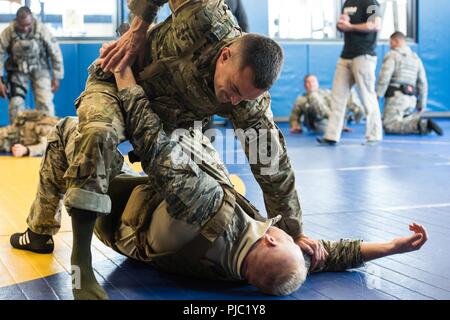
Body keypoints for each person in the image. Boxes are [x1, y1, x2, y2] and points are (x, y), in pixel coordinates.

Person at [11, 0, 324, 299]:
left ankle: (137, 206)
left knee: (194, 179)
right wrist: (137, 28)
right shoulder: (206, 15)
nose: (234, 102)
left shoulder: (248, 102)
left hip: (173, 116)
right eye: (233, 91)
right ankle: (79, 262)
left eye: (245, 98)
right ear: (225, 56)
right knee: (98, 136)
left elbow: (273, 169)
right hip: (119, 78)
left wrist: (294, 234)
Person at [101, 65, 427, 297]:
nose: (293, 237)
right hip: (133, 229)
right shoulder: (251, 269)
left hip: (115, 201)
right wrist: (391, 247)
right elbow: (326, 255)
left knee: (174, 140)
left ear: (272, 241)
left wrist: (124, 78)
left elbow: (152, 143)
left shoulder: (207, 209)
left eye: (287, 239)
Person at [317, 0, 383, 145]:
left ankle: (374, 135)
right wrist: (341, 25)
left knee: (367, 97)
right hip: (345, 56)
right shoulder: (348, 2)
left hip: (364, 56)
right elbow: (343, 25)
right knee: (337, 98)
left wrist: (350, 26)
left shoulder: (371, 2)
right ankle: (331, 136)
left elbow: (375, 24)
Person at [0, 6, 64, 123]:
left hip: (40, 68)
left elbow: (55, 51)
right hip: (17, 70)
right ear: (16, 21)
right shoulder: (8, 32)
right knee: (15, 104)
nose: (25, 28)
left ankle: (49, 137)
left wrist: (56, 76)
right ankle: (18, 137)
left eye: (28, 25)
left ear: (32, 20)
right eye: (21, 25)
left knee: (45, 103)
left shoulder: (41, 30)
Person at [377, 32, 443, 136]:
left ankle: (421, 124)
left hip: (396, 98)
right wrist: (421, 104)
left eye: (391, 42)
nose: (390, 45)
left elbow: (385, 76)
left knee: (389, 126)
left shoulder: (392, 55)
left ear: (396, 41)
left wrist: (378, 94)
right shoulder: (416, 59)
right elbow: (423, 83)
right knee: (403, 120)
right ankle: (419, 122)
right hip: (411, 100)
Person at [290, 74, 365, 134]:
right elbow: (294, 115)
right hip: (318, 122)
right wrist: (295, 125)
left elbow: (337, 103)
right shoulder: (301, 99)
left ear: (317, 83)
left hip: (331, 120)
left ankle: (357, 111)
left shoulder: (325, 92)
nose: (311, 84)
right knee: (313, 95)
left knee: (348, 89)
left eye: (313, 81)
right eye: (308, 82)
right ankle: (336, 123)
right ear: (305, 85)